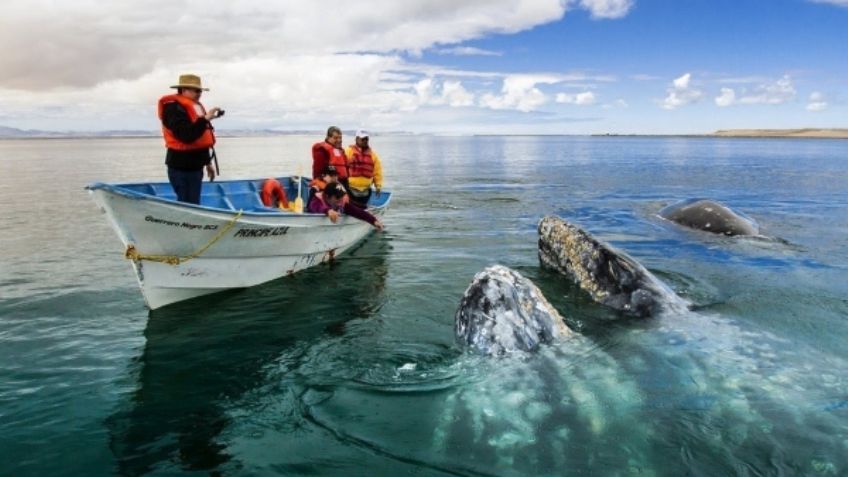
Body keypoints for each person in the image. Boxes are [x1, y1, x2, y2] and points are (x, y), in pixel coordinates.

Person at [158, 74, 223, 204]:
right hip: (180, 167)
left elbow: (200, 139)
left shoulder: (195, 107)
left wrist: (208, 163)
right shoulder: (172, 109)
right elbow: (186, 136)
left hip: (195, 167)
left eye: (200, 91)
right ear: (183, 90)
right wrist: (204, 119)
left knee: (193, 203)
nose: (199, 94)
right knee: (187, 204)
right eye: (196, 90)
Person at [308, 182, 384, 231]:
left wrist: (374, 221)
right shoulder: (316, 200)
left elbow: (357, 212)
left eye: (341, 196)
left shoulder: (341, 203)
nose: (340, 199)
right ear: (327, 196)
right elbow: (316, 207)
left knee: (358, 207)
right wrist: (328, 211)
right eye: (337, 197)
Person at [345, 129, 384, 208]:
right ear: (356, 139)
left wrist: (378, 186)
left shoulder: (373, 155)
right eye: (362, 139)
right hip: (350, 189)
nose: (365, 141)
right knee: (352, 209)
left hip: (366, 191)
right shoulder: (347, 152)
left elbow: (377, 172)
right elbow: (341, 168)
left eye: (366, 139)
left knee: (362, 210)